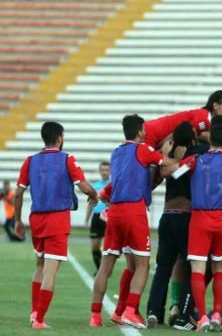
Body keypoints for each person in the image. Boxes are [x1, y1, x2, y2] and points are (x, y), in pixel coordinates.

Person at [89, 114, 176, 329]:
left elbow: (113, 186)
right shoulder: (144, 150)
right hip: (134, 211)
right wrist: (170, 155)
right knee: (142, 264)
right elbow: (167, 164)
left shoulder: (117, 153)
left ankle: (96, 316)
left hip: (115, 212)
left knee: (106, 266)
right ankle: (130, 310)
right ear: (140, 132)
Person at [165, 124, 222, 332]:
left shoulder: (195, 160)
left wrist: (167, 155)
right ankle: (218, 315)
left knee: (198, 270)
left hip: (200, 218)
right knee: (220, 268)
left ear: (210, 139)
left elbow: (172, 173)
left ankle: (202, 316)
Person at [13, 121, 98, 328]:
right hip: (57, 220)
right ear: (60, 137)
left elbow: (18, 192)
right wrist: (95, 195)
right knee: (50, 271)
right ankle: (40, 320)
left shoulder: (29, 160)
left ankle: (34, 312)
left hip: (37, 220)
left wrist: (17, 220)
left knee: (40, 265)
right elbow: (84, 187)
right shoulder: (67, 159)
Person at [146, 121, 197, 329]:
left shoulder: (166, 160)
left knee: (162, 269)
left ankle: (153, 311)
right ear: (193, 139)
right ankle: (184, 313)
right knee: (190, 268)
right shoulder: (197, 155)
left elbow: (154, 178)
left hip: (167, 217)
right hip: (186, 217)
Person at [143, 90, 222, 149]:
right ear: (215, 105)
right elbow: (176, 134)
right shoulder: (204, 119)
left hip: (152, 131)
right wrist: (158, 149)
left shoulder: (204, 116)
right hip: (152, 133)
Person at [84, 161, 110, 273]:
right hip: (96, 218)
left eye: (107, 170)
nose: (104, 172)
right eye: (102, 170)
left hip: (110, 217)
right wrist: (86, 219)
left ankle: (106, 269)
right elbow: (90, 204)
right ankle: (99, 269)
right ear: (99, 171)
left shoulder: (113, 184)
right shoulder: (95, 186)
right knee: (95, 246)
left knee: (109, 246)